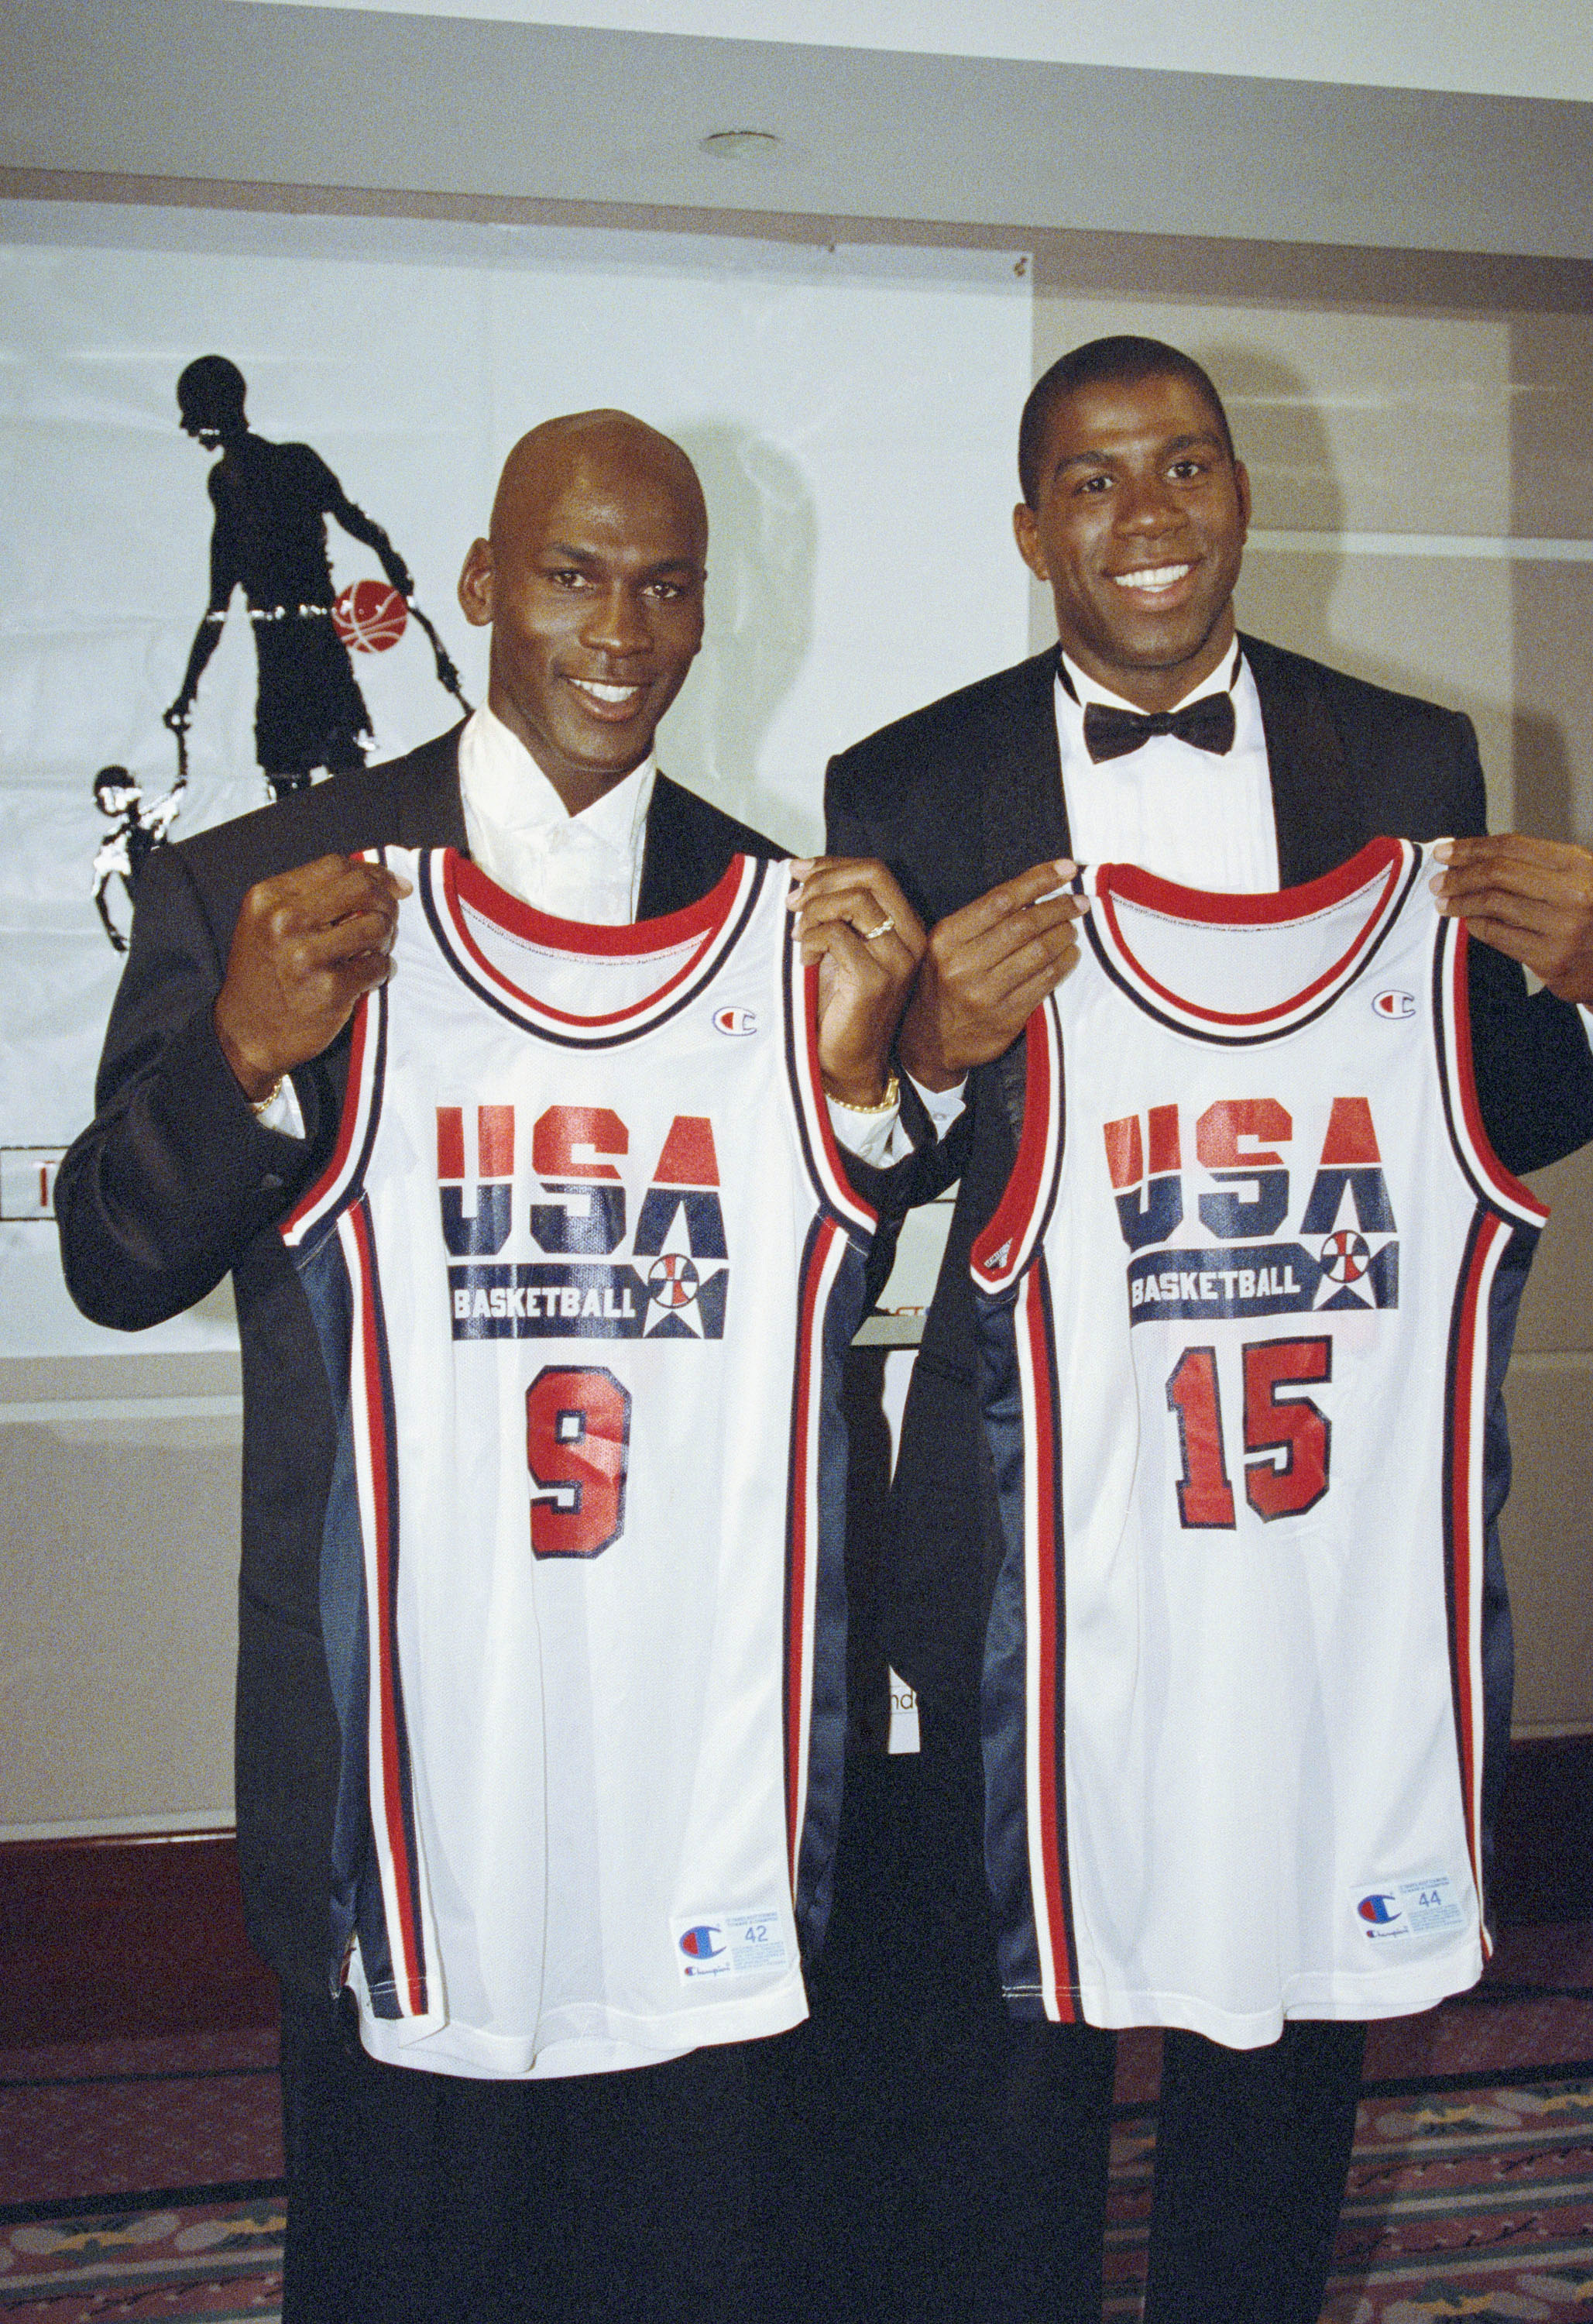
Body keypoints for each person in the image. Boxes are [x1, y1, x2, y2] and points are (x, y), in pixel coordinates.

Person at [58, 407, 918, 2324]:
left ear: (705, 616)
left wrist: (868, 1090)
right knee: (401, 2266)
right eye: (569, 571)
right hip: (394, 1758)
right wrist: (246, 1056)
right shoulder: (256, 890)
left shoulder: (779, 916)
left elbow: (830, 1270)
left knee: (681, 2258)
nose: (618, 624)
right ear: (475, 588)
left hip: (684, 1753)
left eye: (664, 582)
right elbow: (113, 1258)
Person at [819, 335, 1593, 2323]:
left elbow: (1477, 1106)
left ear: (1242, 494)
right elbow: (862, 1167)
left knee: (1278, 2052)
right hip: (1021, 1547)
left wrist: (1589, 987)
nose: (1141, 515)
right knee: (999, 2084)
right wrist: (910, 1054)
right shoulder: (899, 783)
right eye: (1088, 480)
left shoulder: (1408, 763)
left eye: (1179, 466)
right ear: (1025, 530)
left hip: (1299, 1537)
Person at [163, 354, 451, 799]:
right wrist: (392, 563)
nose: (187, 429)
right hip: (298, 652)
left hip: (298, 652)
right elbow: (357, 523)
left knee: (315, 788)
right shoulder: (248, 476)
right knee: (333, 782)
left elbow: (218, 606)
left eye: (194, 416)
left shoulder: (265, 472)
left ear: (216, 411)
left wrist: (187, 691)